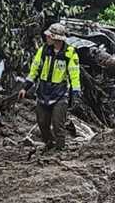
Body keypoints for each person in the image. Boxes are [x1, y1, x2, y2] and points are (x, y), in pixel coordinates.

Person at [19, 23, 82, 151]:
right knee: (42, 122)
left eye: (49, 36)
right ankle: (49, 144)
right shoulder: (43, 50)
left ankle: (60, 151)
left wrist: (75, 93)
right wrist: (25, 87)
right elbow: (34, 70)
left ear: (56, 38)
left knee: (58, 124)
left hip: (60, 93)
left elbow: (74, 75)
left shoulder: (70, 53)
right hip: (43, 91)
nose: (46, 37)